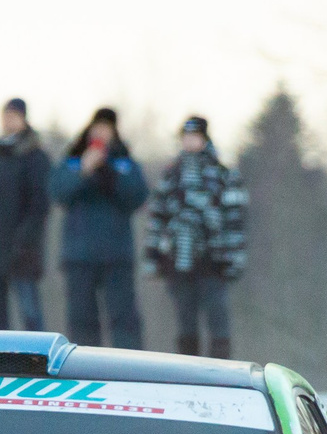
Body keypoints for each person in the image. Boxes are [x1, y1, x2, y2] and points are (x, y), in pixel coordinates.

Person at [146, 115, 248, 358]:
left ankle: (222, 373)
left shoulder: (223, 174)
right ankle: (188, 372)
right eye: (186, 137)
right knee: (185, 322)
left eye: (195, 137)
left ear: (204, 138)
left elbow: (235, 219)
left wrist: (234, 259)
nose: (190, 142)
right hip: (178, 262)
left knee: (218, 319)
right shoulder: (171, 175)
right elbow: (157, 216)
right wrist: (153, 256)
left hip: (213, 261)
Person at [49, 107, 148, 348]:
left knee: (124, 319)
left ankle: (129, 366)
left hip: (117, 256)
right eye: (97, 128)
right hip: (79, 256)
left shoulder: (124, 163)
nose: (101, 133)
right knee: (81, 319)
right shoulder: (72, 161)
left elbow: (137, 196)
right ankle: (84, 367)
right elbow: (58, 193)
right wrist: (84, 170)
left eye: (107, 129)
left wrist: (108, 173)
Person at [0, 98, 52, 329]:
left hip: (22, 249)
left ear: (24, 118)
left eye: (12, 116)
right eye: (5, 116)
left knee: (30, 313)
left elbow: (40, 204)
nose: (7, 121)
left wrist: (25, 240)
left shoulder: (35, 157)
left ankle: (37, 359)